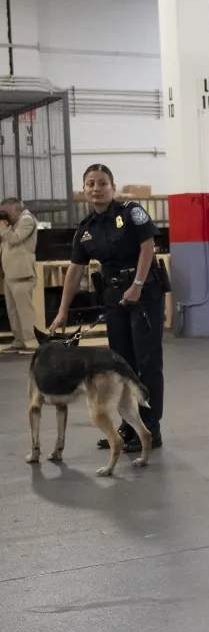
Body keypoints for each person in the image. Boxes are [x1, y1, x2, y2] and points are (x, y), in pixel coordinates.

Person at [50, 164, 166, 452]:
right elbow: (76, 271)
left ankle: (151, 428)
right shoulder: (85, 230)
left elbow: (148, 247)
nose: (96, 188)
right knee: (119, 365)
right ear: (84, 189)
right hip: (115, 296)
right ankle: (128, 427)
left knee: (146, 362)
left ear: (112, 187)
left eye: (102, 183)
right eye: (90, 184)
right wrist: (63, 310)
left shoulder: (131, 212)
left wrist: (137, 285)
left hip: (144, 293)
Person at [1, 196, 39, 354]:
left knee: (25, 310)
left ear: (15, 209)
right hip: (9, 274)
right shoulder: (11, 224)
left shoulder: (27, 220)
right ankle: (19, 341)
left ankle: (32, 342)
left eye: (6, 212)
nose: (4, 215)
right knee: (13, 311)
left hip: (22, 274)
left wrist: (3, 224)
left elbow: (15, 239)